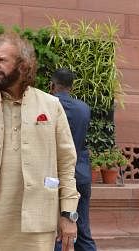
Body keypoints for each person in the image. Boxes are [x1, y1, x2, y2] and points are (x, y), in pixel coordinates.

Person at [0, 32, 79, 251]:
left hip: (37, 224)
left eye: (2, 60)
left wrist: (68, 213)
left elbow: (66, 163)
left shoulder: (50, 106)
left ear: (23, 65)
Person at [50, 68, 97, 251]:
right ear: (72, 86)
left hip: (55, 177)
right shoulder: (84, 108)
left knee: (54, 231)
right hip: (81, 174)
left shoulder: (49, 106)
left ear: (52, 85)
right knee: (83, 230)